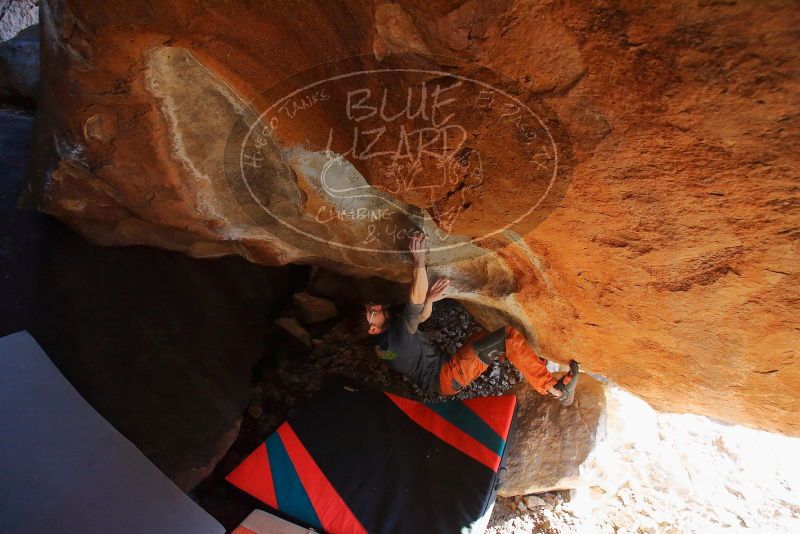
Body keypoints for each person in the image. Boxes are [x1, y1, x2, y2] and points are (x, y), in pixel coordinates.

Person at [365, 232, 580, 405]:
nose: (375, 306)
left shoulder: (382, 343)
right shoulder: (396, 338)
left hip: (442, 373)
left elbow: (420, 316)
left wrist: (430, 299)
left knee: (482, 338)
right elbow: (416, 302)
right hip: (446, 376)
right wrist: (419, 259)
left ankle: (524, 359)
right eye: (371, 312)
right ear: (372, 329)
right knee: (508, 337)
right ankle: (554, 389)